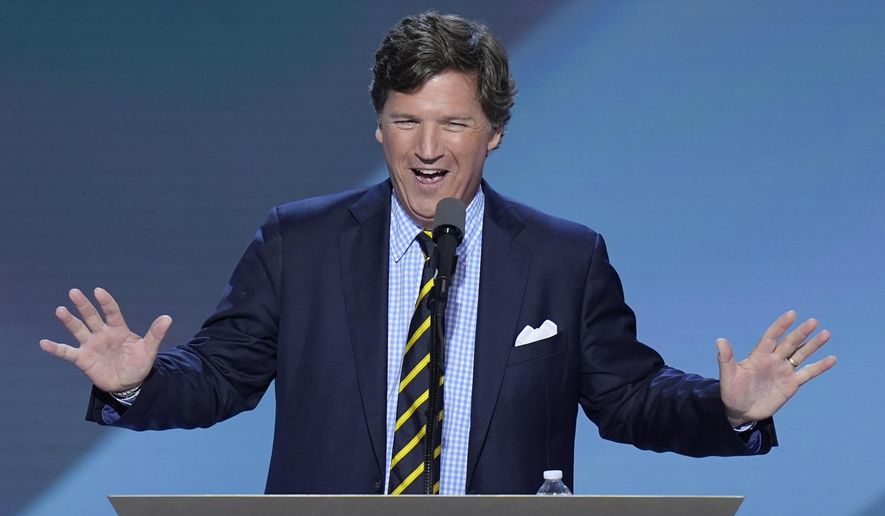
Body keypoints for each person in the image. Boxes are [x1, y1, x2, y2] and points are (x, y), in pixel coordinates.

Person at [39, 11, 835, 495]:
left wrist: (728, 408)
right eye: (404, 120)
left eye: (452, 124)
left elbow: (630, 400)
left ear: (493, 134)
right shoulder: (300, 243)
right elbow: (219, 378)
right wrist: (141, 383)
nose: (427, 148)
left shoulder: (564, 258)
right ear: (377, 127)